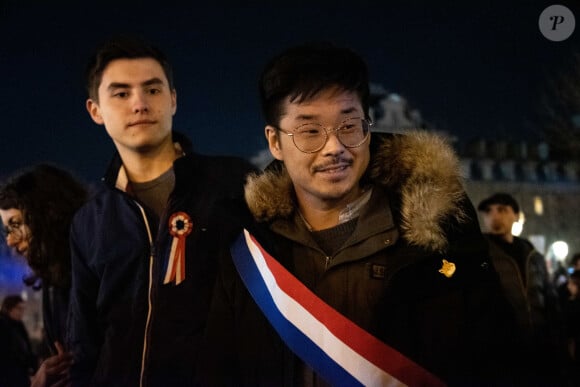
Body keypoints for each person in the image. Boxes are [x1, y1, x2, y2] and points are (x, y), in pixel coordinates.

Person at [198, 42, 518, 386]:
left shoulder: (441, 238)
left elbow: (498, 361)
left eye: (349, 126)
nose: (334, 147)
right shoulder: (247, 248)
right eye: (310, 131)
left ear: (368, 125)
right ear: (274, 142)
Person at [67, 35, 256, 387]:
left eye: (152, 90)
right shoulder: (88, 221)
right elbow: (85, 342)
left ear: (173, 100)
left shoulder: (235, 184)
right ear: (95, 110)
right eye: (121, 94)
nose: (139, 104)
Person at [0, 163, 89, 387]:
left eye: (16, 224)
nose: (10, 240)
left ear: (46, 215)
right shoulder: (53, 283)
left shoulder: (93, 271)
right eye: (7, 230)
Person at [477, 192, 567, 385]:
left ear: (516, 216)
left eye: (501, 210)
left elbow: (549, 299)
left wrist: (558, 341)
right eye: (488, 211)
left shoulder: (533, 255)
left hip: (541, 348)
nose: (494, 216)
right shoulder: (481, 254)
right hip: (504, 351)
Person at [0, 295, 38, 387]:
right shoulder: (2, 326)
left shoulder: (18, 325)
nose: (22, 312)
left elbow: (26, 348)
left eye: (23, 309)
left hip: (20, 374)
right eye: (19, 308)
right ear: (9, 309)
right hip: (8, 376)